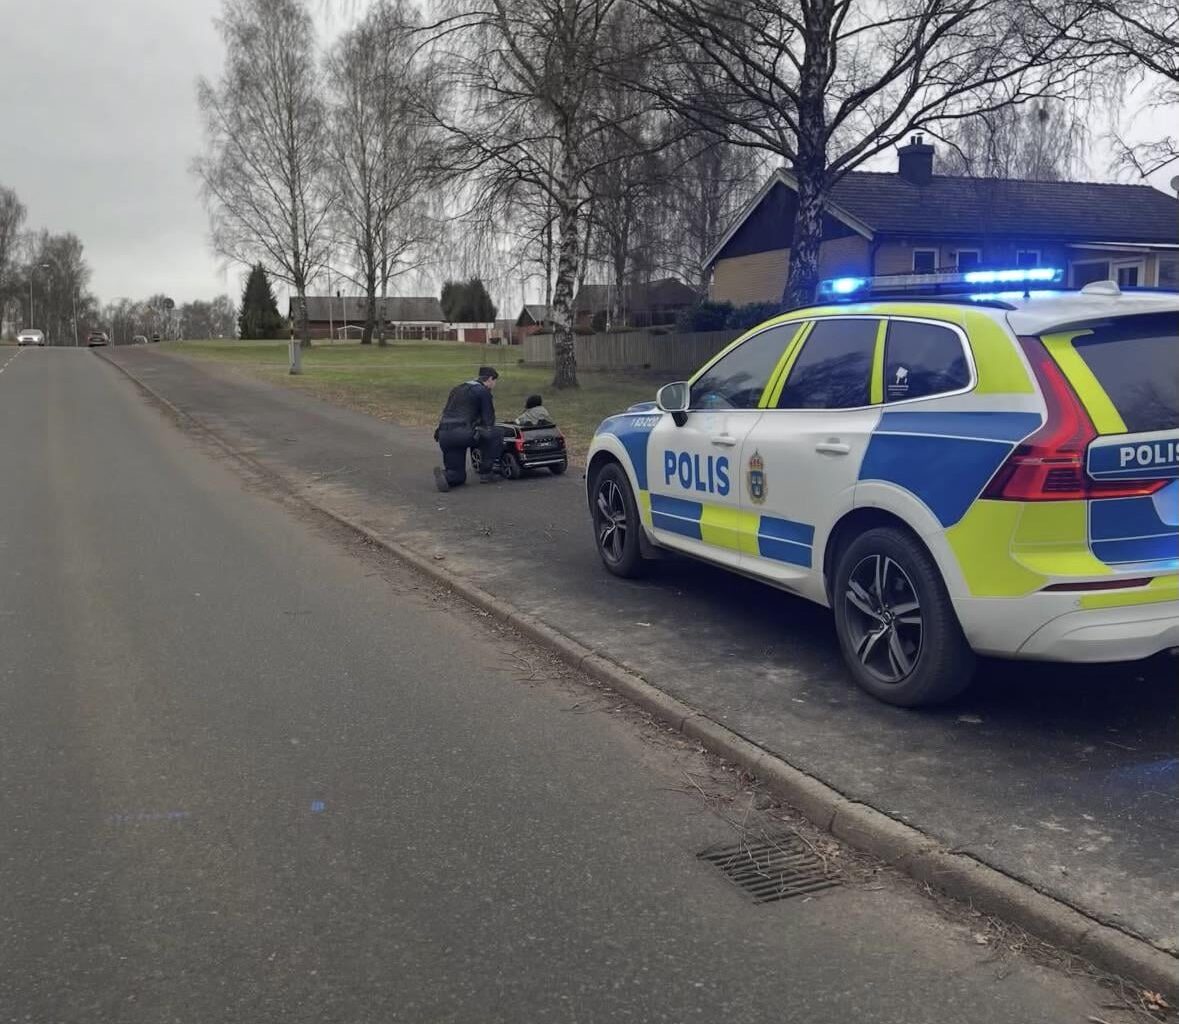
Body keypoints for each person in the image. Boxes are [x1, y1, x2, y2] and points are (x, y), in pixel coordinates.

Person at [433, 366, 505, 491]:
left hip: (444, 434)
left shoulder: (457, 389)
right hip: (464, 433)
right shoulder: (483, 391)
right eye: (495, 382)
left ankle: (447, 476)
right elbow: (488, 421)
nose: (494, 385)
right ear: (490, 379)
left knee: (458, 476)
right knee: (495, 433)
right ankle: (487, 473)